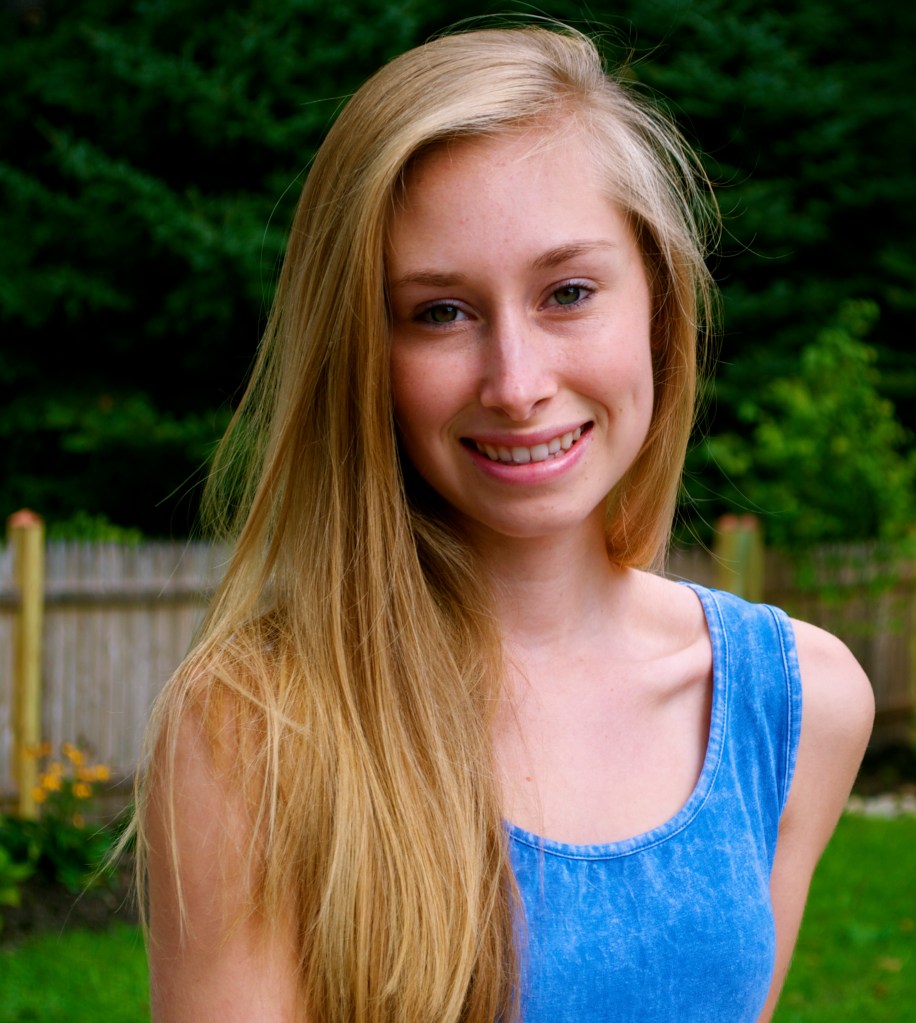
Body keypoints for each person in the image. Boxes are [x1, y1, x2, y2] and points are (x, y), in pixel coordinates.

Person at [136, 24, 874, 1023]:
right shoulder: (257, 730)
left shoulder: (796, 707)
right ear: (363, 353)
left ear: (657, 307)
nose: (516, 384)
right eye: (440, 311)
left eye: (567, 293)